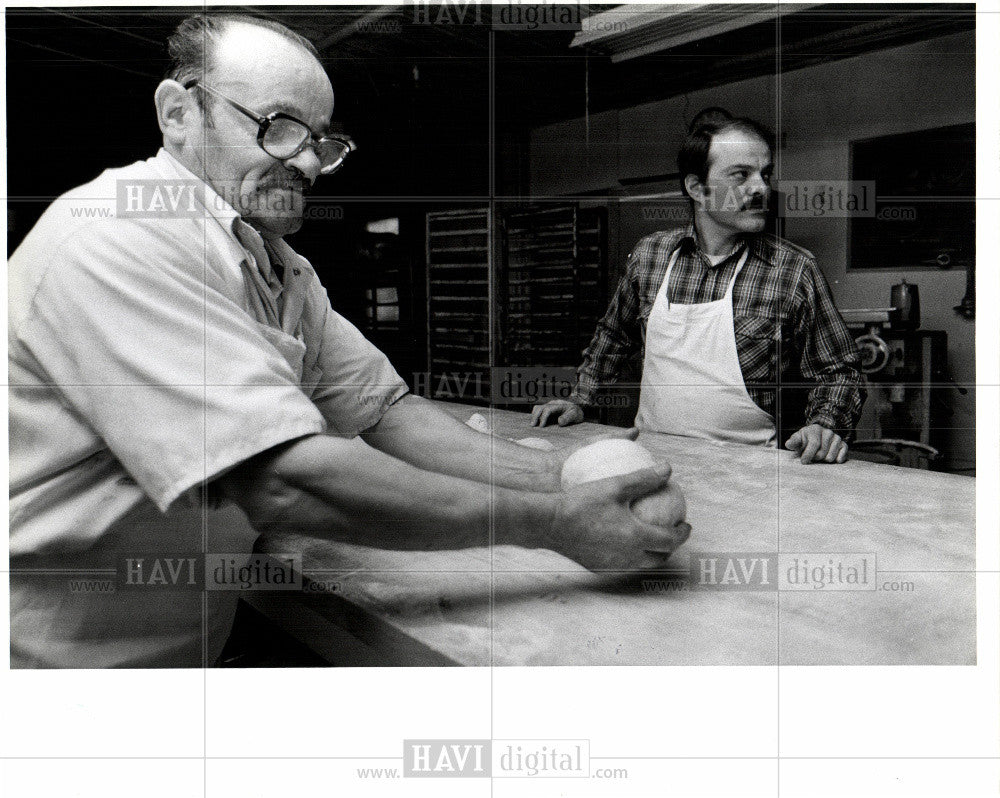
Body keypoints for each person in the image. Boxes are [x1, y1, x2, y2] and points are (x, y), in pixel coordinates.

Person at [7, 14, 688, 668]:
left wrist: (564, 479)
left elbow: (387, 411)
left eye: (321, 139)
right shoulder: (118, 236)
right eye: (279, 127)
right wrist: (558, 525)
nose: (305, 159)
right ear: (179, 113)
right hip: (54, 666)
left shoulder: (281, 270)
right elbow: (282, 480)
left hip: (180, 654)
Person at [532, 111, 865, 464]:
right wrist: (578, 399)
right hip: (649, 459)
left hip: (749, 470)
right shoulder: (651, 256)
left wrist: (824, 424)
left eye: (764, 174)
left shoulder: (794, 270)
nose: (762, 188)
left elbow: (839, 371)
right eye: (741, 175)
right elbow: (613, 337)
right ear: (696, 187)